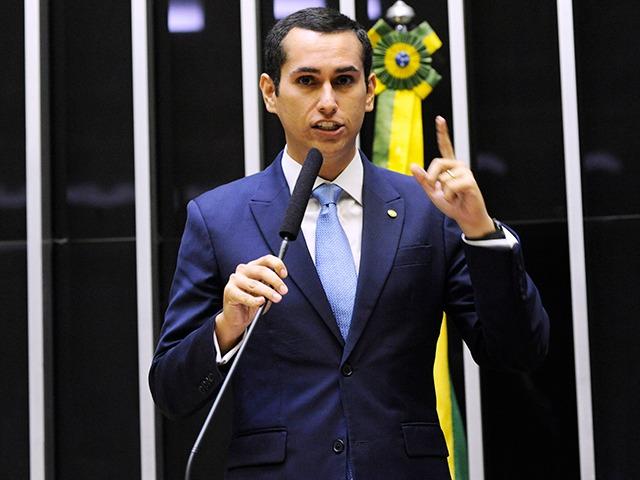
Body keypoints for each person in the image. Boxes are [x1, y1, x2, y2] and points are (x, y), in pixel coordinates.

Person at [150, 7, 549, 479]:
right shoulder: (218, 218)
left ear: (370, 91)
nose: (327, 102)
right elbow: (172, 392)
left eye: (344, 81)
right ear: (270, 92)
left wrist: (481, 232)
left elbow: (518, 352)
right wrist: (226, 326)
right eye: (306, 81)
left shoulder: (427, 210)